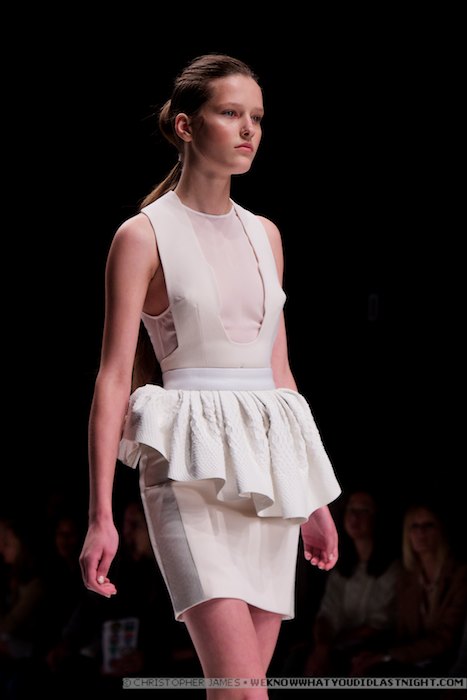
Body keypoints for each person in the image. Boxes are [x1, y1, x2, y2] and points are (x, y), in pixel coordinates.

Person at [79, 53, 341, 696]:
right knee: (243, 690)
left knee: (242, 691)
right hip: (186, 471)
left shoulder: (266, 235)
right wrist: (101, 514)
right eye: (230, 113)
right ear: (185, 125)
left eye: (257, 117)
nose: (249, 129)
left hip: (270, 473)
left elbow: (280, 373)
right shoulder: (142, 236)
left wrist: (313, 496)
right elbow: (113, 378)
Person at [351, 503, 467, 677]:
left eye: (428, 525)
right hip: (412, 663)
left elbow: (446, 638)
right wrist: (378, 655)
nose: (420, 532)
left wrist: (387, 656)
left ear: (441, 530)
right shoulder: (407, 578)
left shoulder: (460, 576)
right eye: (414, 526)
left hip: (448, 667)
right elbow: (402, 633)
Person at [302, 490, 399, 676]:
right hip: (335, 644)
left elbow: (378, 625)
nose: (355, 517)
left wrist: (329, 647)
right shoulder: (342, 566)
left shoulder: (391, 569)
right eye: (351, 509)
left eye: (364, 510)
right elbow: (327, 613)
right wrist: (322, 647)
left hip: (370, 647)